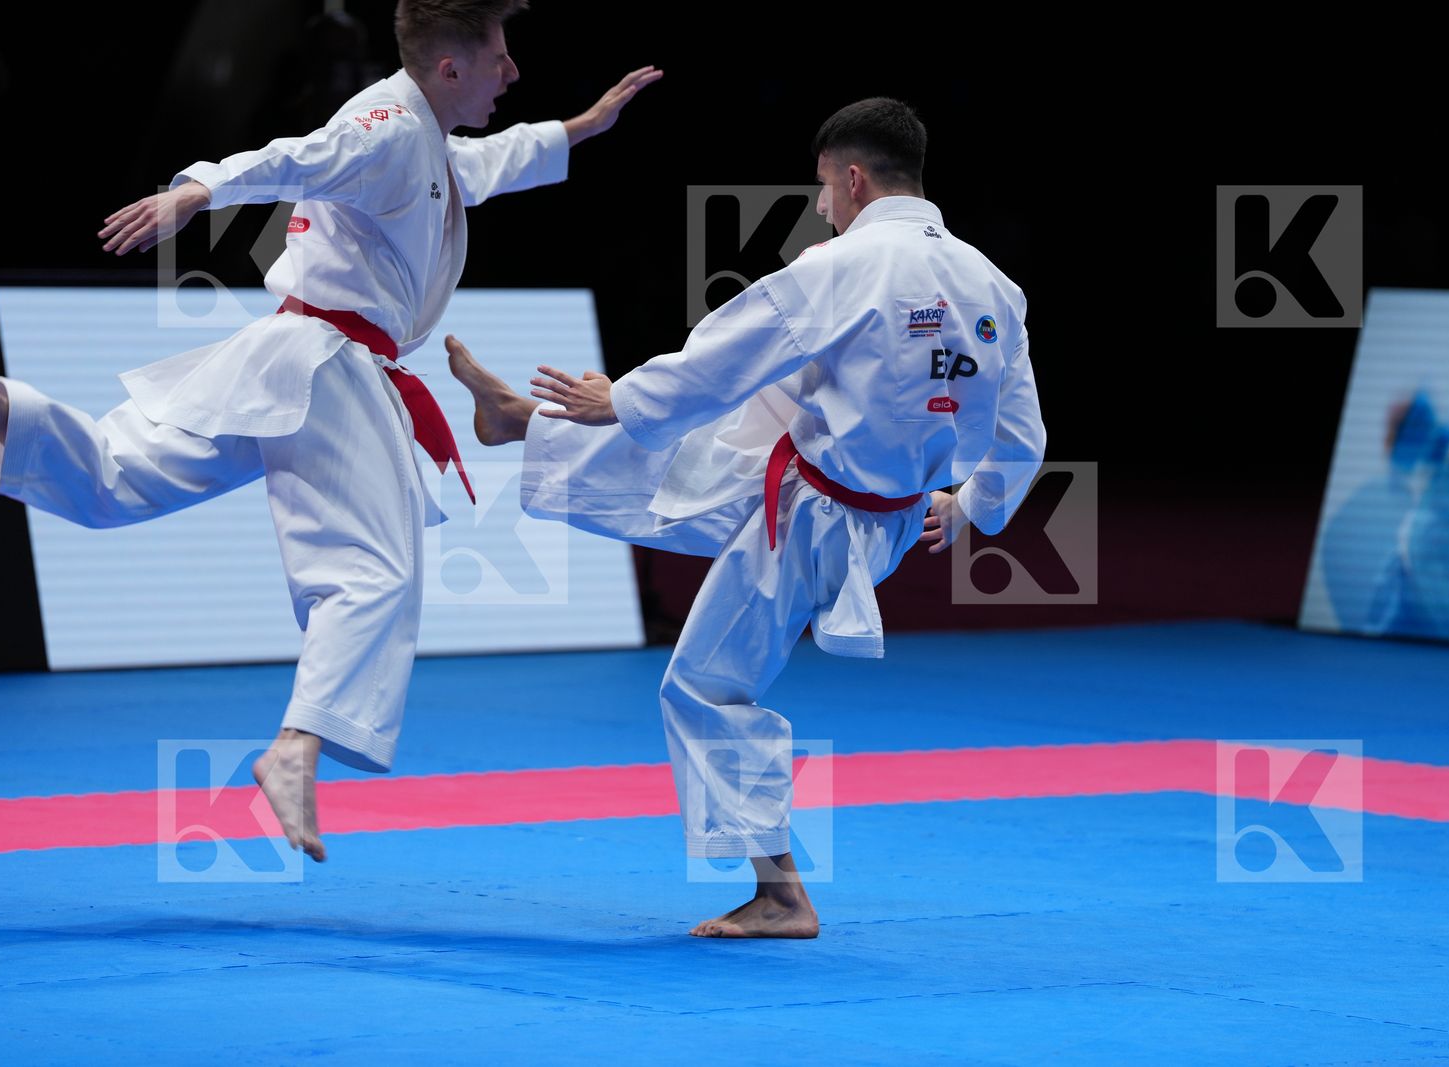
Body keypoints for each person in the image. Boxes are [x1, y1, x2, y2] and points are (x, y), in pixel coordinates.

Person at [0, 0, 660, 863]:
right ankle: (295, 747)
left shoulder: (426, 140)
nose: (512, 74)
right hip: (330, 367)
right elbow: (299, 157)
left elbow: (482, 164)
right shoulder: (384, 126)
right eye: (500, 57)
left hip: (294, 361)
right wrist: (198, 189)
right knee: (376, 570)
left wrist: (582, 127)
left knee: (118, 480)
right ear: (450, 68)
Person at [448, 97, 1046, 937]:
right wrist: (973, 505)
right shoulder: (994, 285)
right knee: (709, 452)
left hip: (813, 521)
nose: (821, 207)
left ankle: (782, 894)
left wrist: (618, 398)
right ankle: (519, 421)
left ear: (851, 176)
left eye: (824, 189)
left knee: (703, 686)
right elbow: (1021, 435)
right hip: (877, 508)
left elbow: (723, 350)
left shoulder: (840, 268)